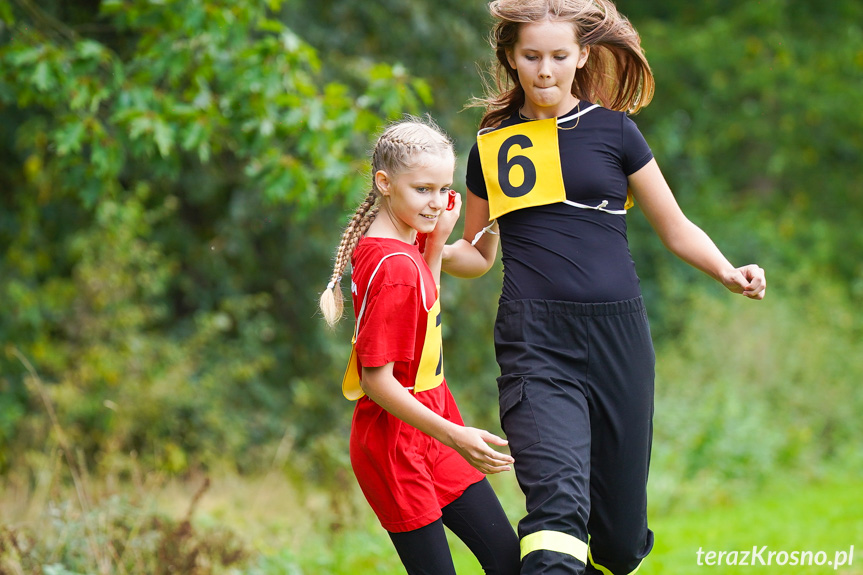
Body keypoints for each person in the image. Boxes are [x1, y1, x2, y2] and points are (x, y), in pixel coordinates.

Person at [430, 1, 768, 574]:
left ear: (582, 55)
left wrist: (727, 272)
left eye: (559, 56)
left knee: (618, 542)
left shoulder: (616, 132)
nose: (545, 70)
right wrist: (426, 250)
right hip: (535, 338)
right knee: (556, 506)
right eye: (531, 56)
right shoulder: (492, 144)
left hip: (619, 338)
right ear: (511, 59)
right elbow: (478, 254)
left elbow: (677, 227)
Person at [319, 116, 521, 575]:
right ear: (385, 183)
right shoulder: (393, 265)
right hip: (395, 444)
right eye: (423, 190)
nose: (437, 203)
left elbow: (424, 309)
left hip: (432, 424)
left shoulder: (401, 241)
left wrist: (438, 246)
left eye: (444, 188)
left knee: (508, 563)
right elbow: (376, 382)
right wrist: (457, 436)